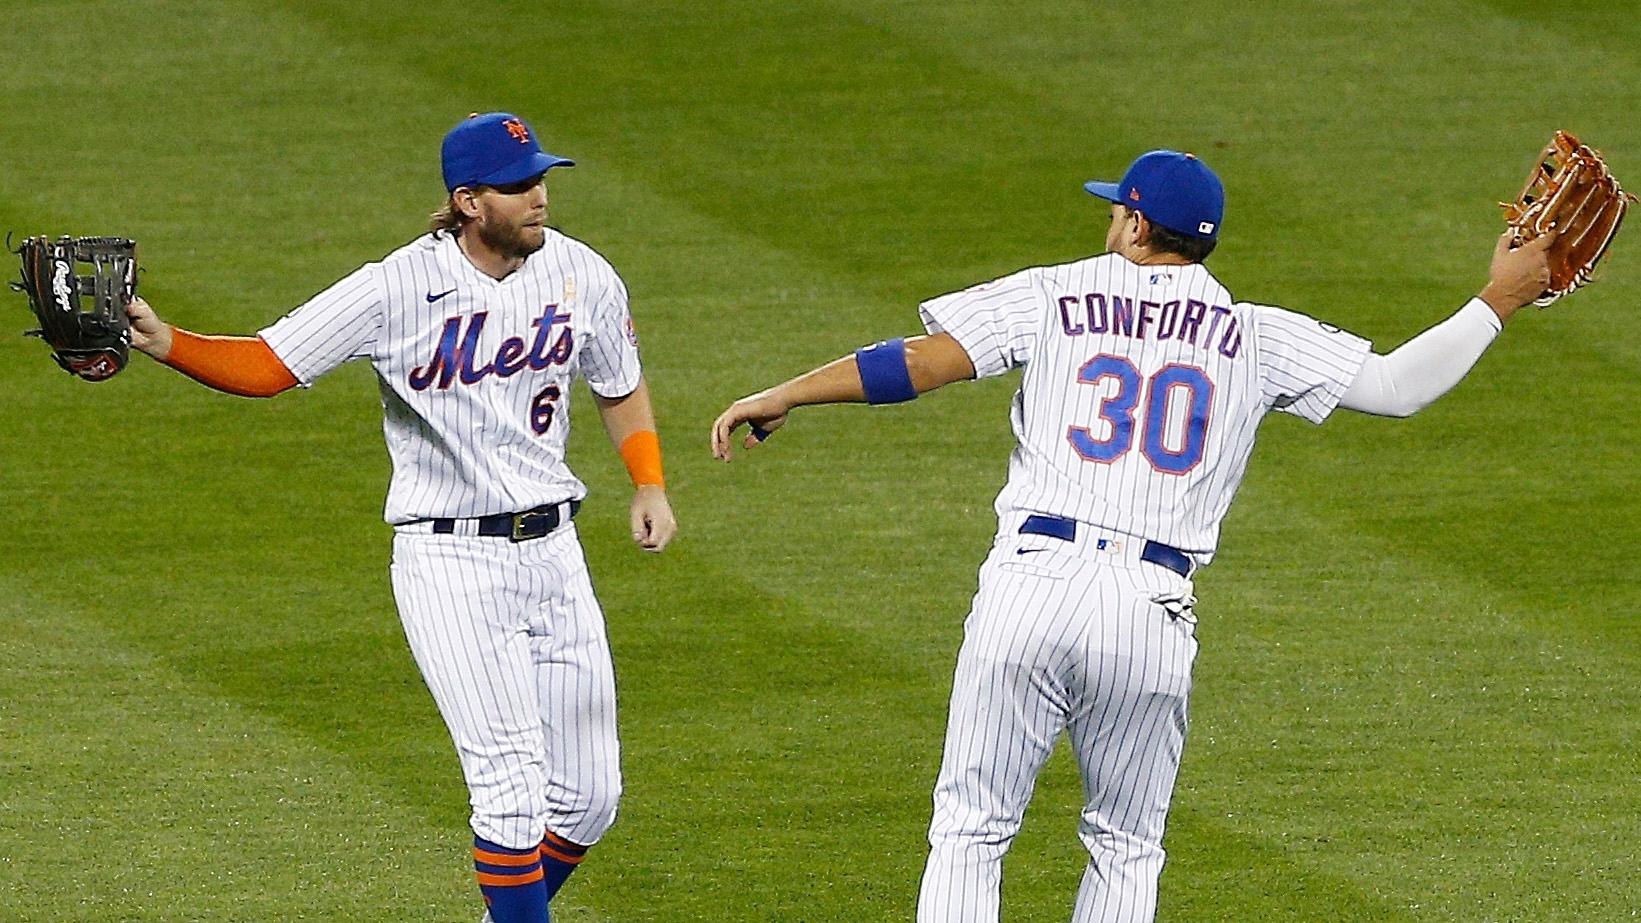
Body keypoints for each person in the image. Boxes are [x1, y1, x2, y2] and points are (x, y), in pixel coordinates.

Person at [710, 149, 1553, 923]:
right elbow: (1396, 386)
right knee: (1124, 844)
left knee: (971, 830)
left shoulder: (1057, 291)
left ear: (1139, 226)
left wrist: (788, 392)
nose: (1109, 221)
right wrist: (1499, 298)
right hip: (1148, 611)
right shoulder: (1253, 332)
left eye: (1118, 210)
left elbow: (918, 363)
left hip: (1031, 586)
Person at [125, 111, 676, 923]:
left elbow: (617, 379)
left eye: (541, 179)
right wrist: (166, 339)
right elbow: (270, 364)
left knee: (589, 800)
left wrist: (649, 482)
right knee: (512, 794)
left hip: (556, 555)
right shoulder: (393, 288)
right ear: (466, 201)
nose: (539, 198)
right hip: (452, 567)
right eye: (517, 186)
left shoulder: (583, 273)